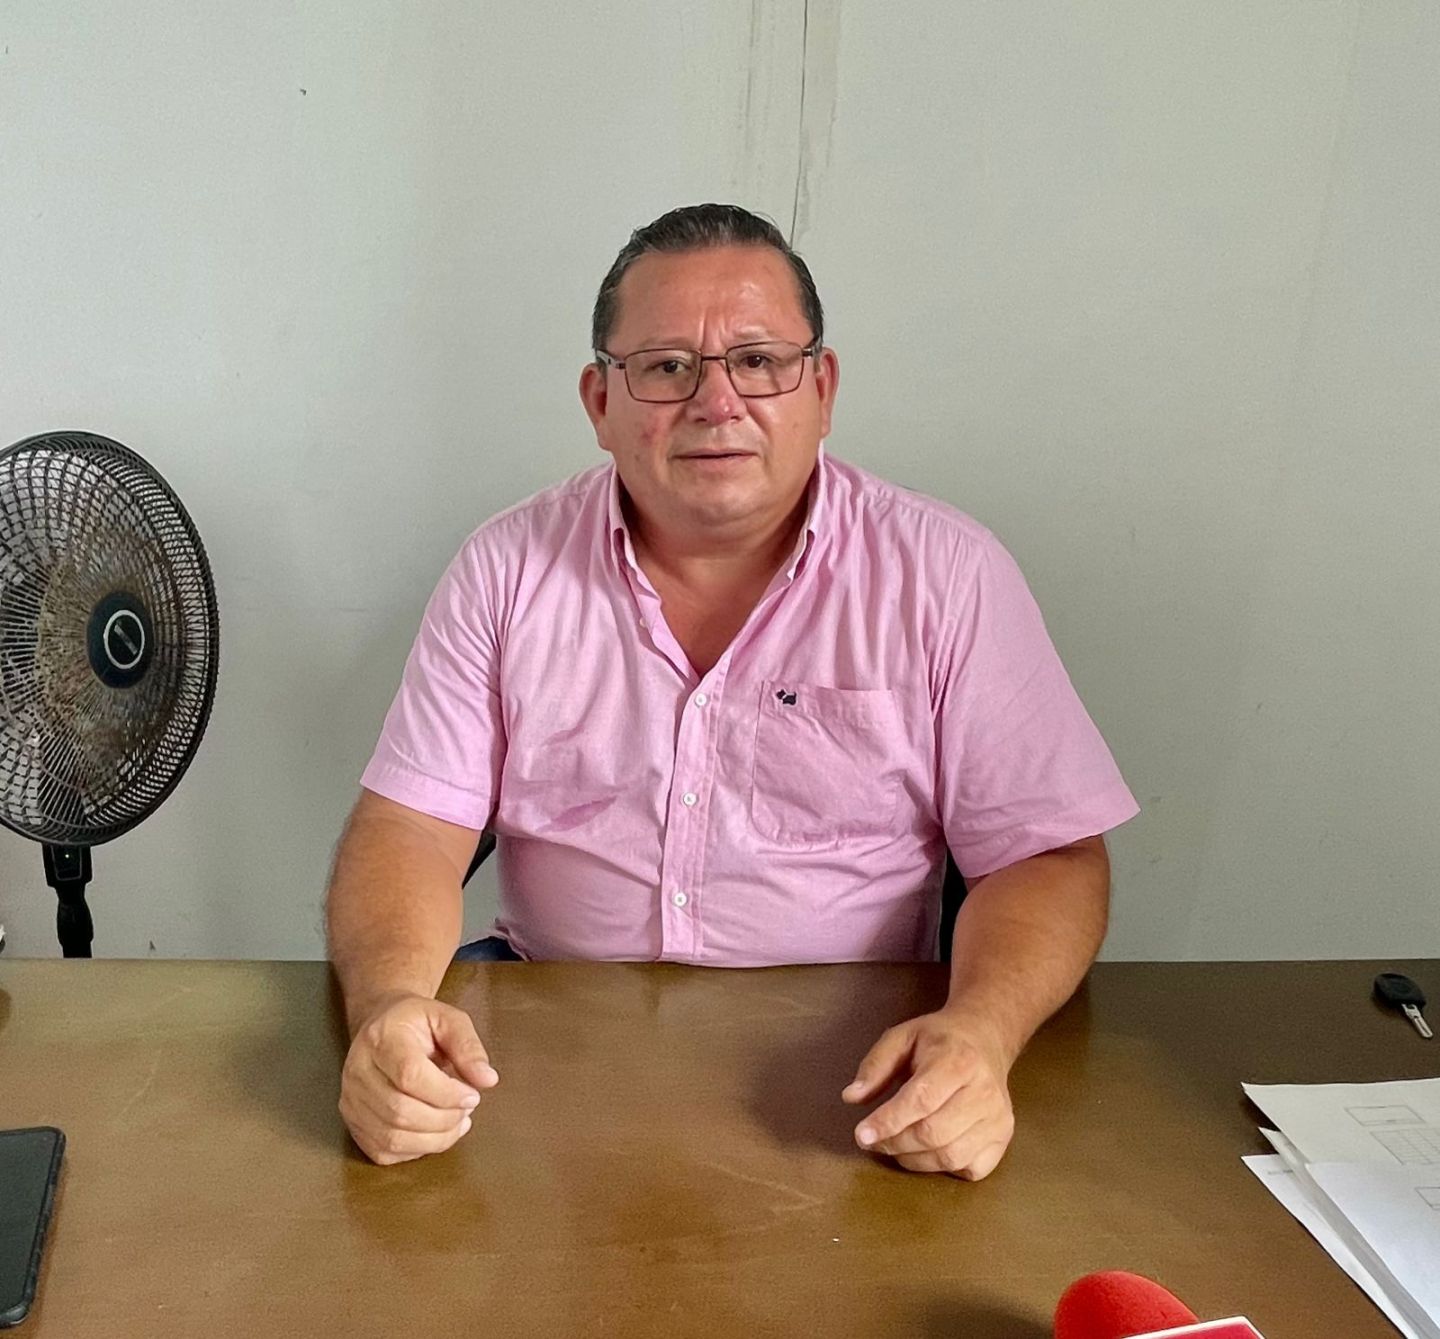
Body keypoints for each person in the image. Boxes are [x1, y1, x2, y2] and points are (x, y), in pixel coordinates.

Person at [326, 204, 1138, 1178]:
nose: (717, 402)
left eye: (758, 361)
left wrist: (981, 1033)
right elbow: (410, 828)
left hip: (860, 1071)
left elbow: (1045, 855)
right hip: (544, 1055)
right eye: (668, 367)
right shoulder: (506, 570)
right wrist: (388, 1011)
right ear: (599, 401)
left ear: (822, 389)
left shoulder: (945, 575)